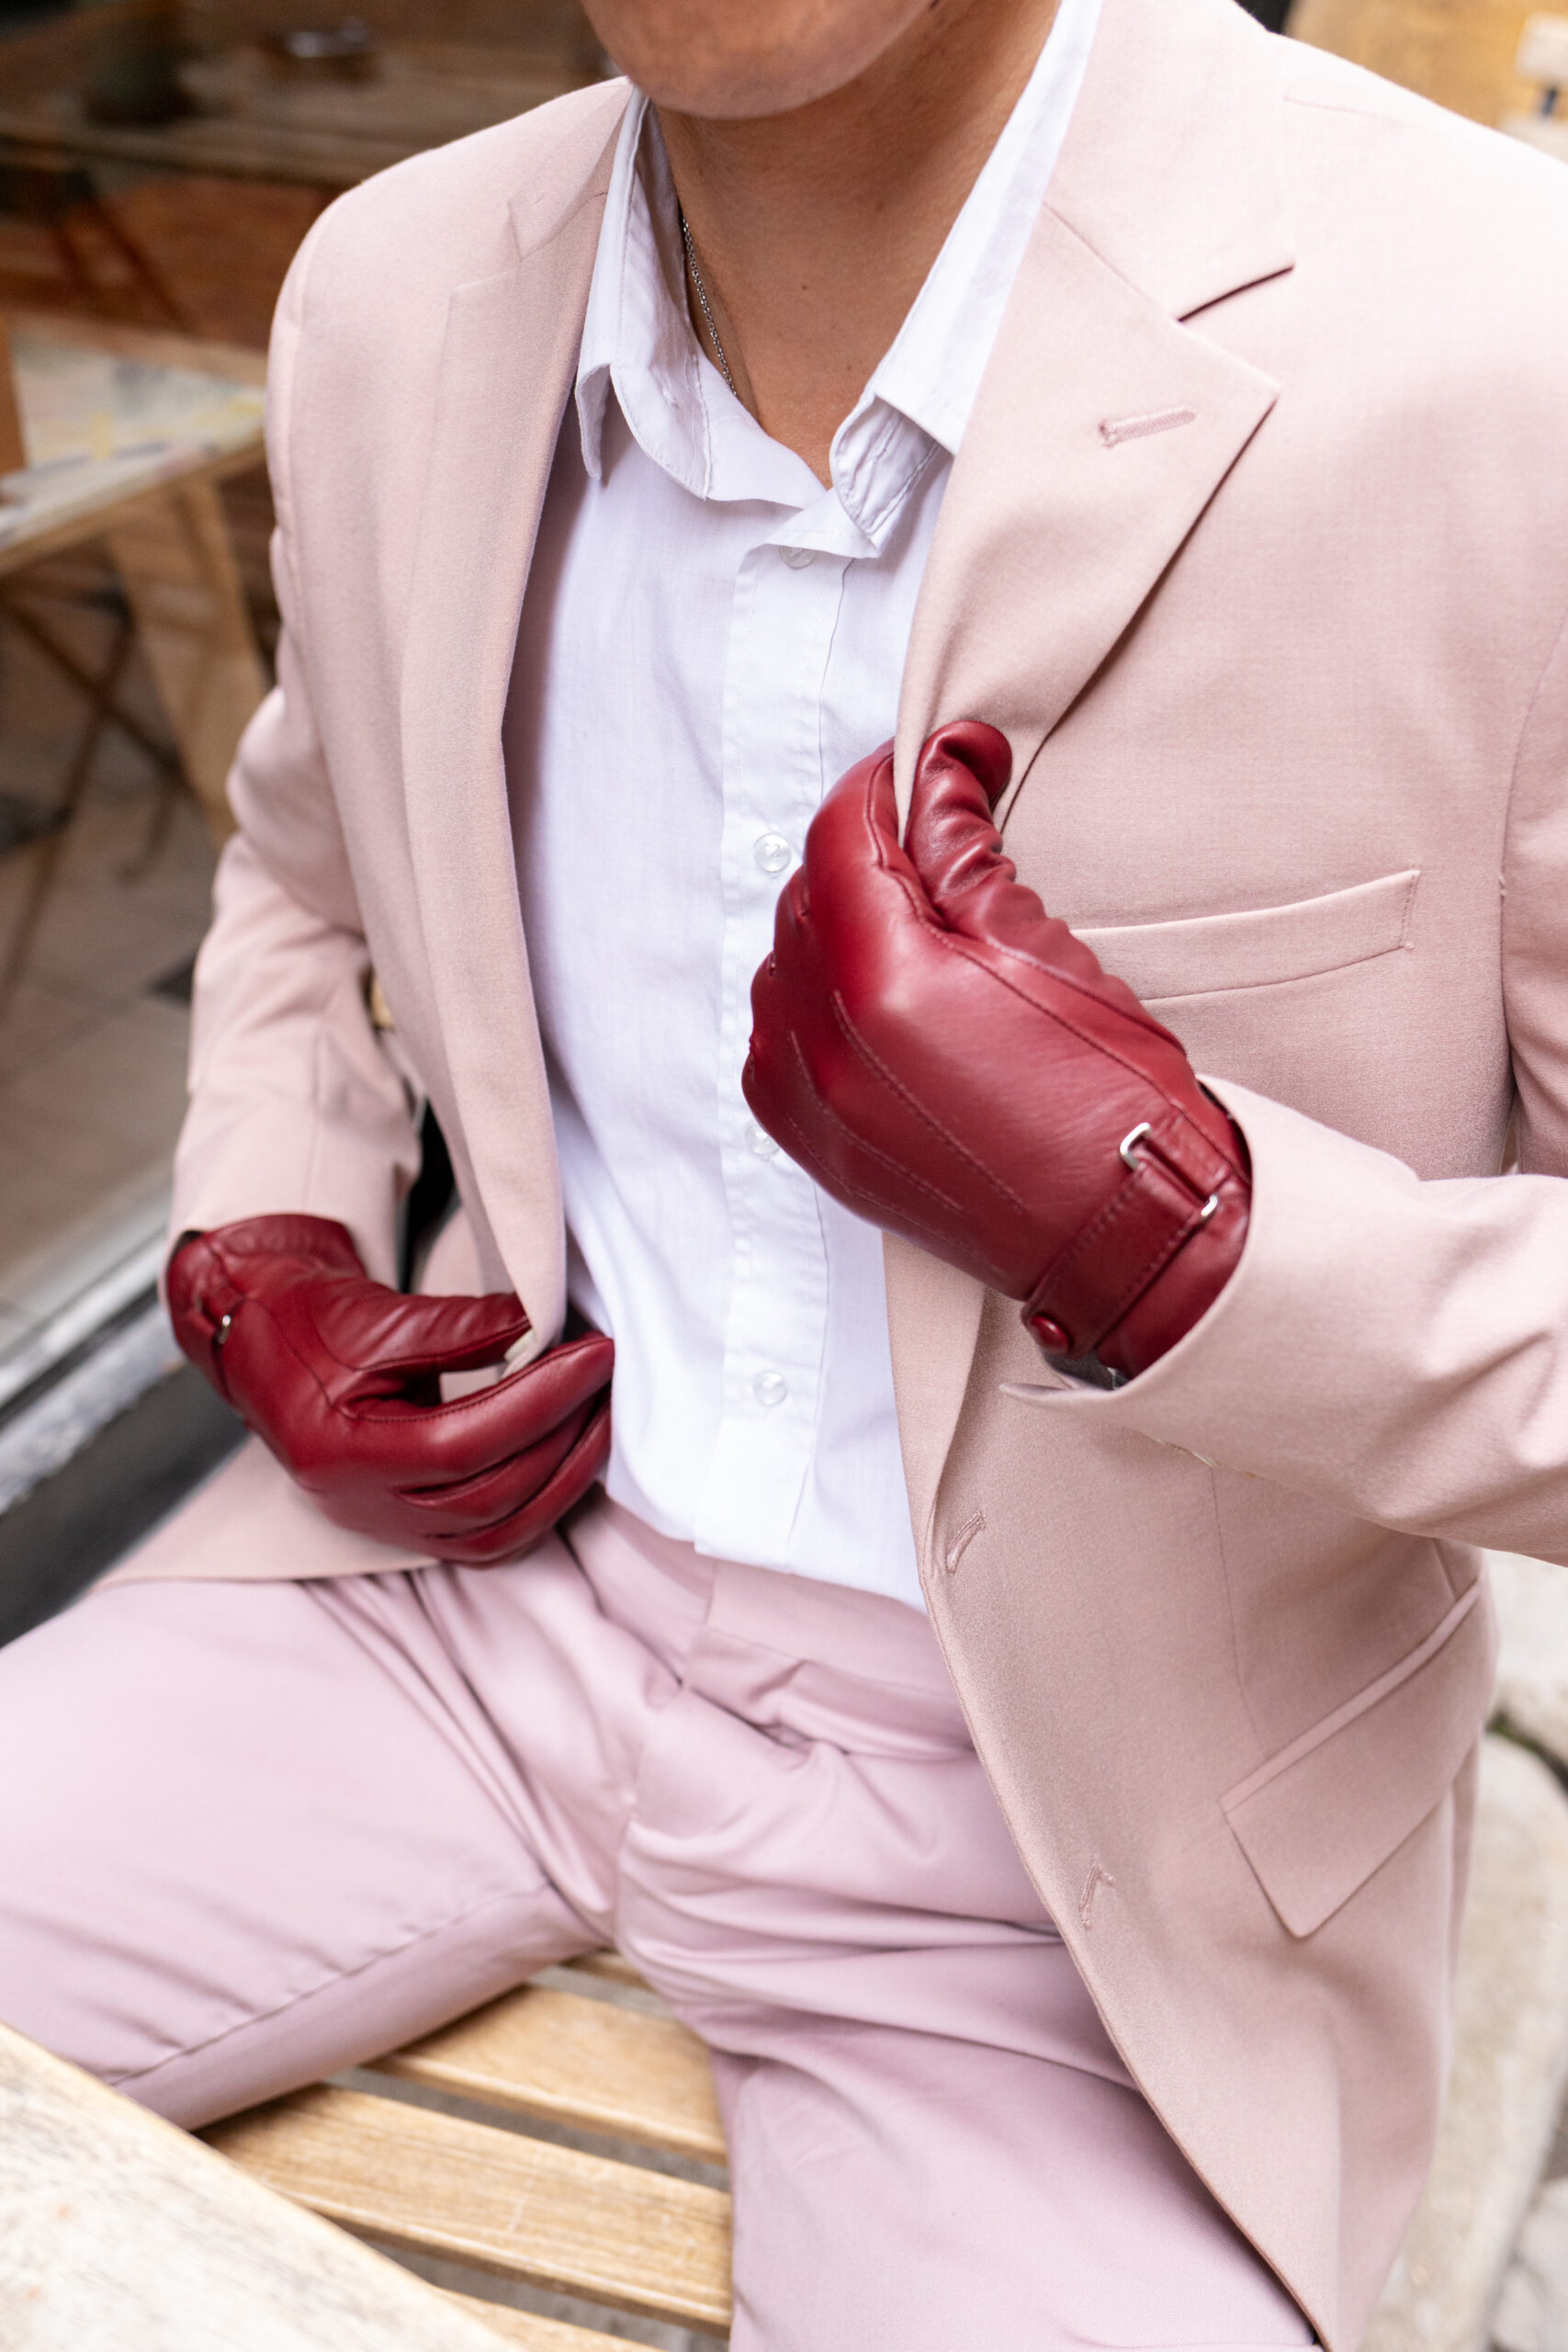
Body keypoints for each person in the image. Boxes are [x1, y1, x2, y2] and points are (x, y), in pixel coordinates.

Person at [3, 0, 1567, 2339]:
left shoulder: (1501, 348)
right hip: (455, 1612)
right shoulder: (392, 290)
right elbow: (304, 875)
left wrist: (1183, 1240)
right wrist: (270, 1236)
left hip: (1092, 1852)